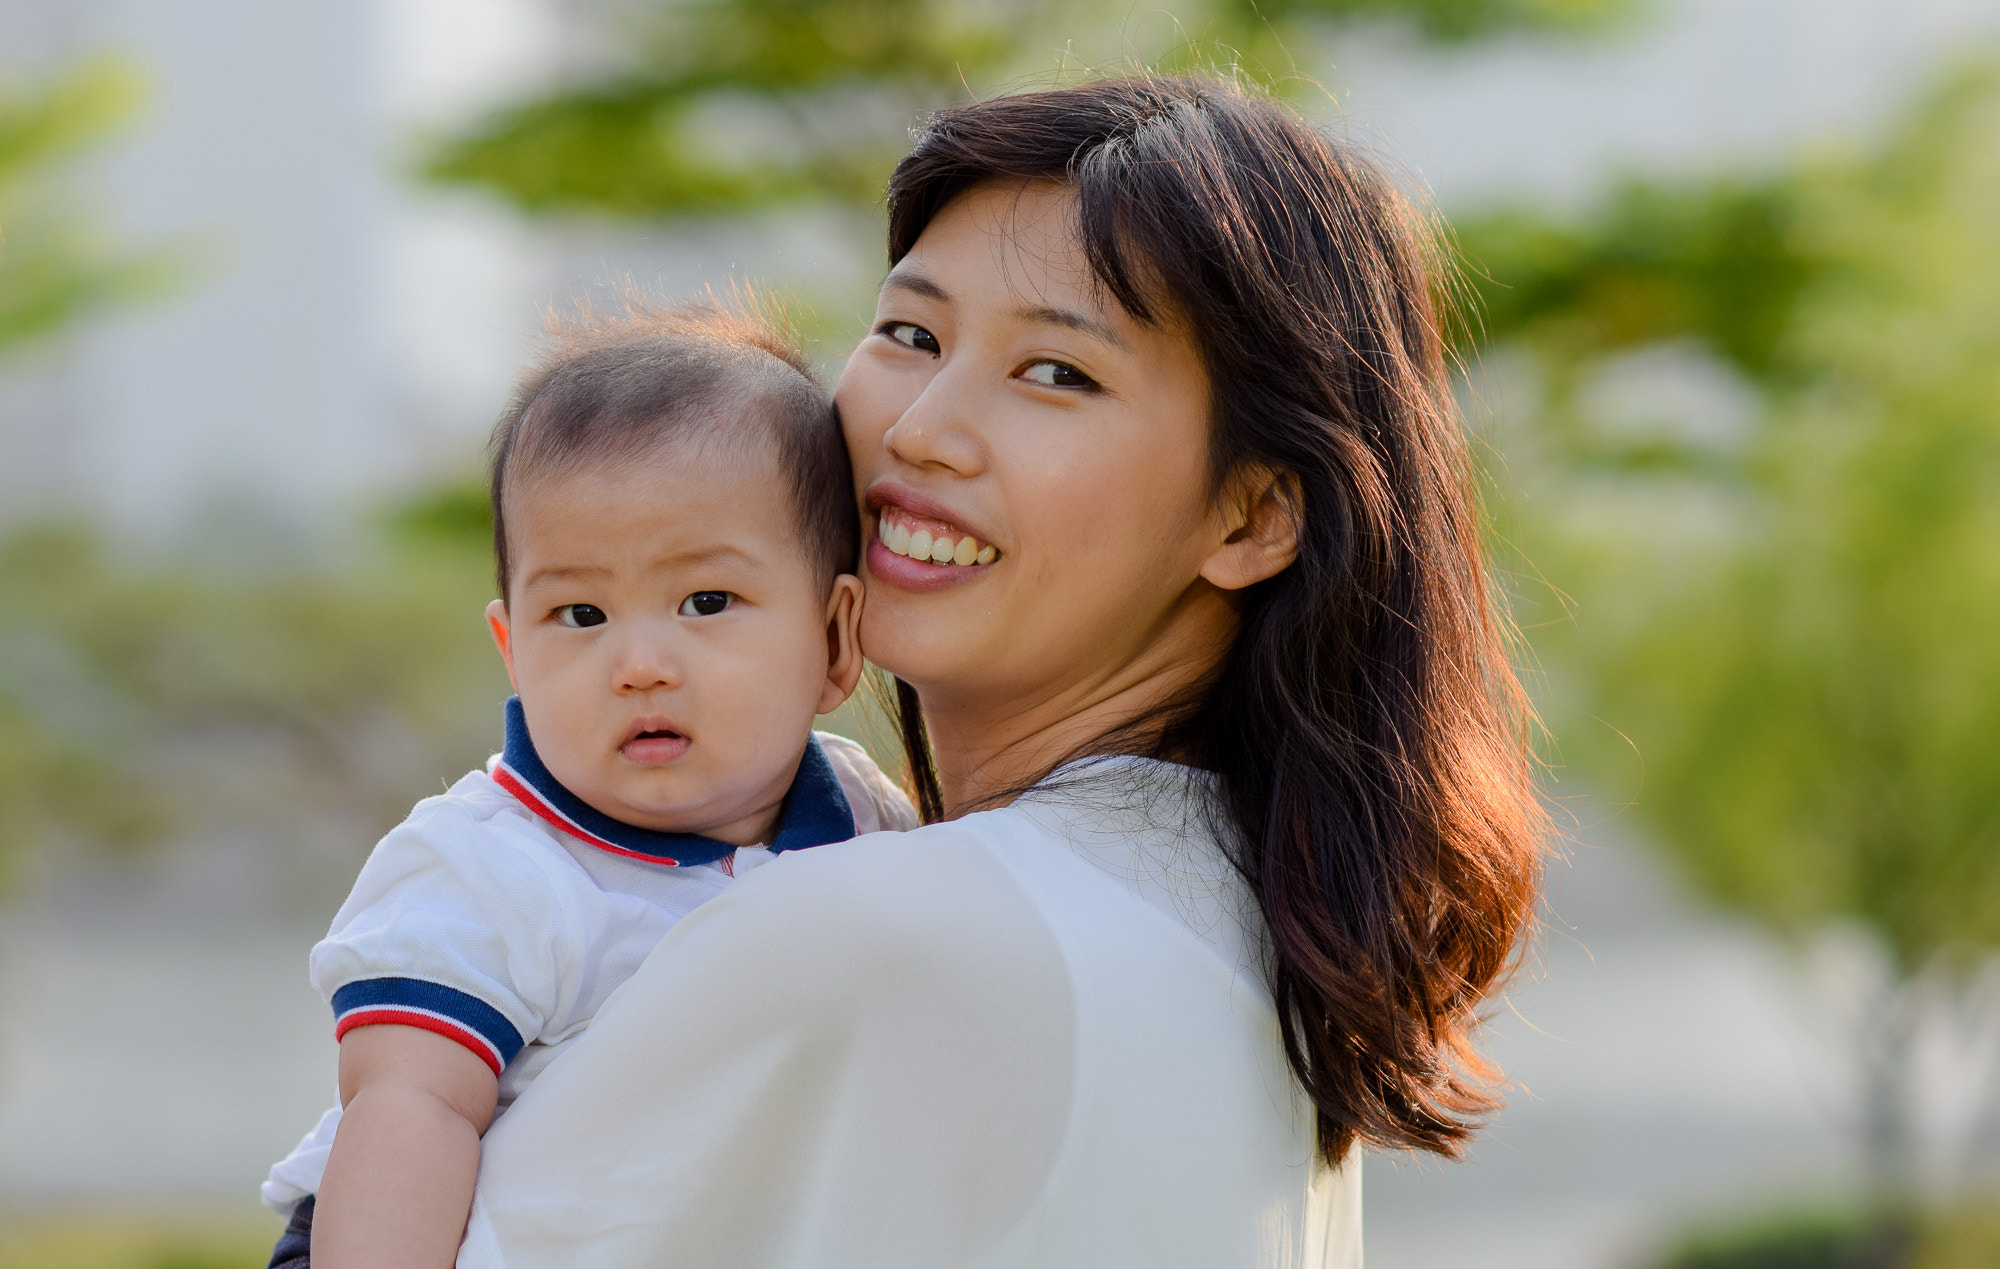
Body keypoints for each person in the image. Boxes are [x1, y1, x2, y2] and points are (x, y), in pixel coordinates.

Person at [451, 73, 1545, 1268]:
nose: (919, 424)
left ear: (1251, 515)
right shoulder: (1241, 931)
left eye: (1056, 374)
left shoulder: (889, 933)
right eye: (909, 334)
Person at [259, 303, 918, 1269]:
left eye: (706, 601)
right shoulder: (488, 868)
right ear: (512, 650)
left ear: (833, 638)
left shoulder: (865, 818)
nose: (640, 662)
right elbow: (410, 1106)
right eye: (579, 612)